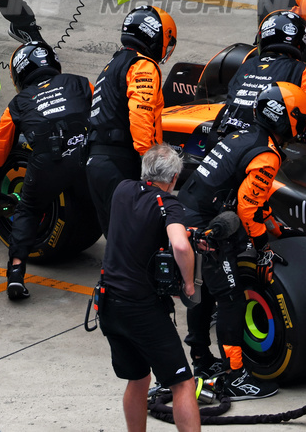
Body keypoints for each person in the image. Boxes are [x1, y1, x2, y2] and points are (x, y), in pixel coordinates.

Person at [179, 82, 306, 399]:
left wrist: (274, 228)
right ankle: (234, 376)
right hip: (206, 226)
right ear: (286, 118)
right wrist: (264, 249)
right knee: (231, 297)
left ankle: (201, 359)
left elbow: (247, 197)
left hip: (189, 213)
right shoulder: (266, 154)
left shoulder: (244, 136)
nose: (304, 124)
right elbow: (246, 208)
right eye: (301, 117)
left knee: (205, 291)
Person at [0, 41, 93, 301]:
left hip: (48, 163)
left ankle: (16, 274)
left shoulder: (18, 103)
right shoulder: (80, 82)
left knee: (28, 210)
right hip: (87, 156)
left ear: (20, 74)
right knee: (112, 203)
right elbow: (103, 115)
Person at [98, 143, 200, 432]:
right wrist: (189, 285)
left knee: (139, 378)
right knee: (182, 383)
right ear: (174, 179)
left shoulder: (122, 190)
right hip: (141, 308)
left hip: (108, 303)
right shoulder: (169, 205)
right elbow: (180, 245)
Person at [86, 4, 177, 235]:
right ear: (157, 36)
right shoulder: (143, 65)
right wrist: (151, 169)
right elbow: (140, 116)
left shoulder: (111, 66)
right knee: (136, 242)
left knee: (117, 245)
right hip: (121, 165)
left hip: (96, 163)